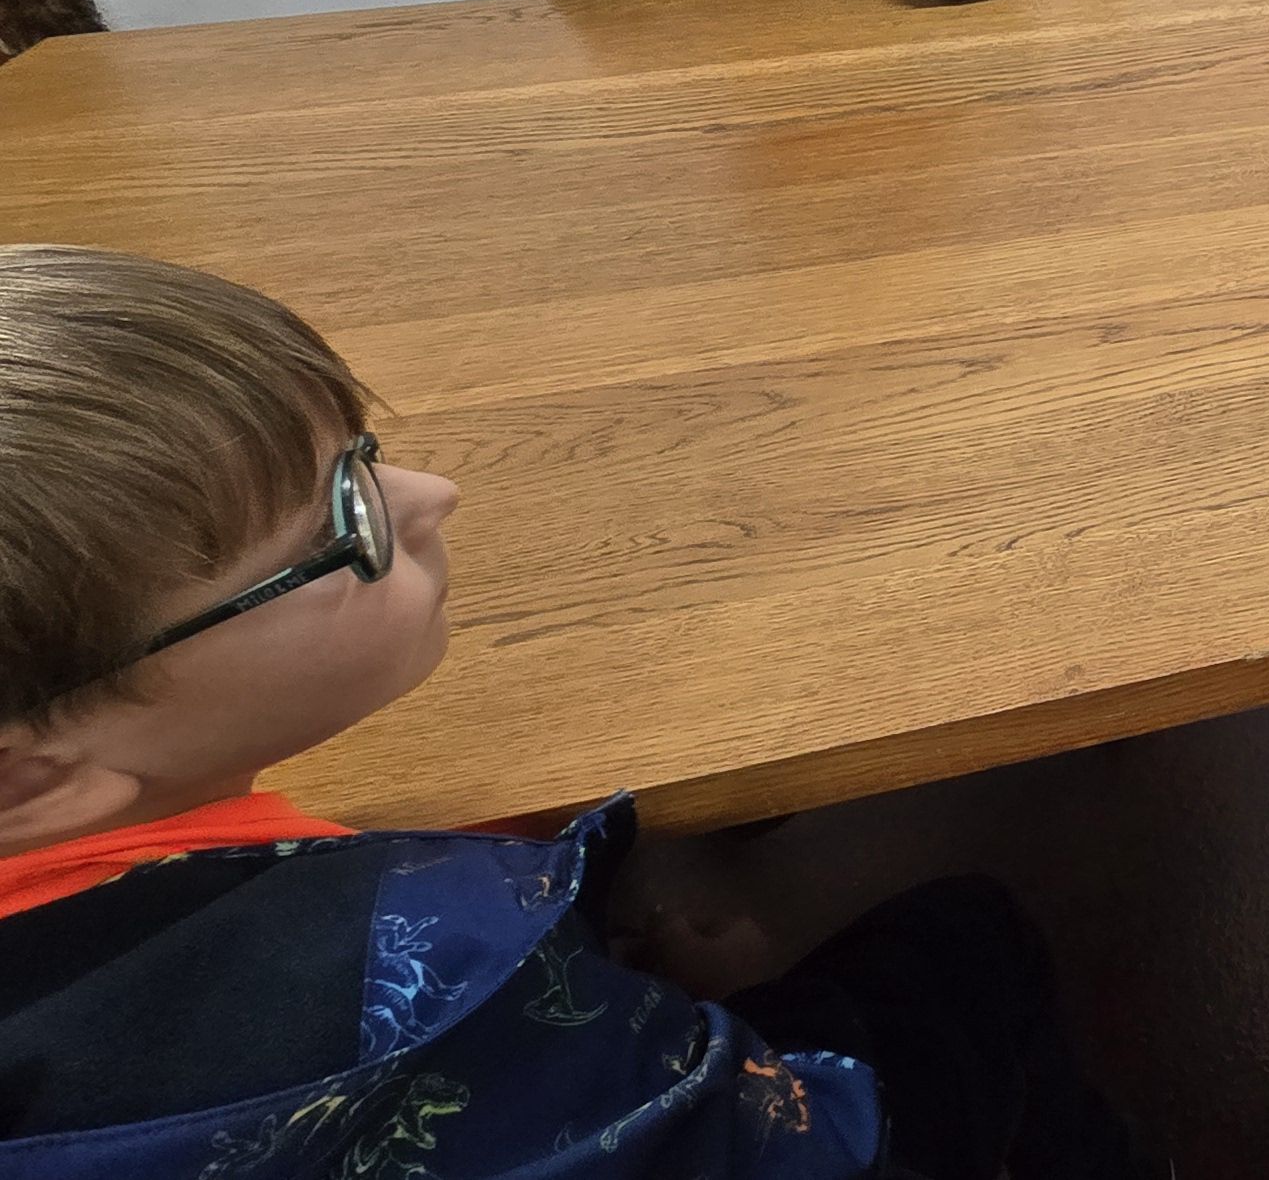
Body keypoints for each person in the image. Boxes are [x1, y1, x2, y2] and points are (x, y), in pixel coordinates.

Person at [0, 246, 1131, 1180]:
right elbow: (784, 1146)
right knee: (968, 942)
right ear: (34, 774)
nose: (432, 495)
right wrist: (676, 1027)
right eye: (349, 520)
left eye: (367, 457)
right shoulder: (443, 976)